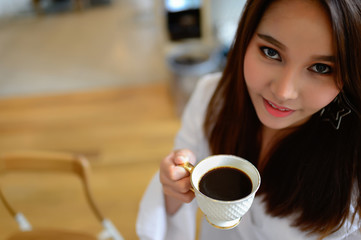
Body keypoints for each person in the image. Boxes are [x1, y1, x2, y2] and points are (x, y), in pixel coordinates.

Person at [136, 0, 361, 239]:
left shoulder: (353, 167)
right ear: (245, 38)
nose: (284, 92)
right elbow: (173, 217)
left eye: (321, 68)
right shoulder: (211, 98)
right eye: (271, 52)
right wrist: (174, 188)